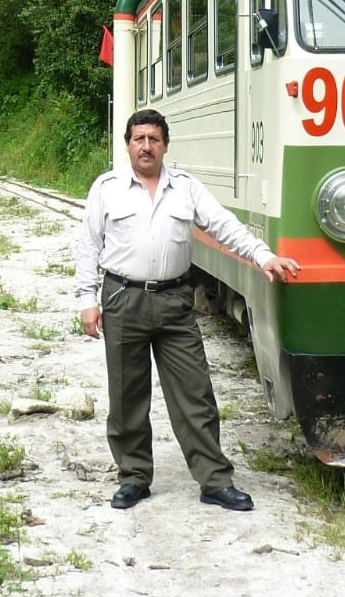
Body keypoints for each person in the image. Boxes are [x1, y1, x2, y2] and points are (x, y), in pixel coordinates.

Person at [75, 108, 300, 512]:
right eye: (139, 139)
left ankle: (214, 481)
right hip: (122, 298)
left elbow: (223, 225)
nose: (146, 146)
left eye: (154, 139)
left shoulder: (186, 188)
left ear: (165, 145)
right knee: (127, 396)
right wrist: (87, 300)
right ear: (127, 144)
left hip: (175, 302)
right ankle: (134, 478)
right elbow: (89, 246)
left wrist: (263, 256)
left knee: (196, 394)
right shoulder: (106, 188)